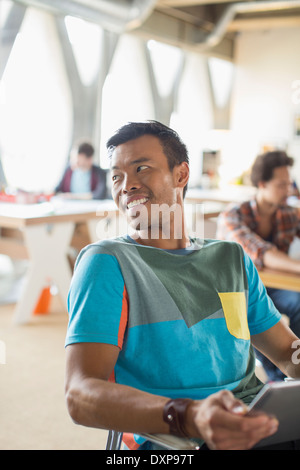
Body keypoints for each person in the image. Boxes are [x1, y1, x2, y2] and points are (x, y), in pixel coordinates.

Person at [64, 122, 300, 451]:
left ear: (181, 175)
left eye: (141, 168)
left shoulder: (231, 258)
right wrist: (189, 415)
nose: (126, 185)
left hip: (258, 424)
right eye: (116, 176)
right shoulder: (107, 262)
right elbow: (80, 393)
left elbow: (288, 353)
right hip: (173, 439)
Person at [217, 150, 300, 382]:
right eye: (282, 184)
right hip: (237, 289)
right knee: (255, 314)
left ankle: (294, 371)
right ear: (262, 184)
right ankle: (276, 379)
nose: (289, 190)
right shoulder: (233, 216)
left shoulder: (288, 214)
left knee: (297, 302)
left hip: (272, 287)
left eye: (290, 183)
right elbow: (262, 254)